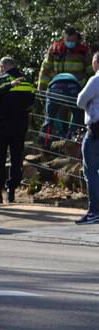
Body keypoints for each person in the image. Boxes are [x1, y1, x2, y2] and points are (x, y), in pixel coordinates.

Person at [0, 57, 35, 204]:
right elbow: (31, 101)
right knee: (16, 158)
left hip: (1, 125)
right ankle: (11, 191)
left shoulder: (0, 81)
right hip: (20, 125)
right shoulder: (27, 80)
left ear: (2, 67)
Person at [74, 53, 99, 225]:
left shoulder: (96, 79)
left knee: (91, 171)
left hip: (96, 130)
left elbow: (80, 100)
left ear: (96, 62)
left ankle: (95, 211)